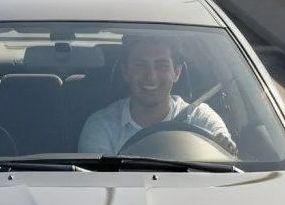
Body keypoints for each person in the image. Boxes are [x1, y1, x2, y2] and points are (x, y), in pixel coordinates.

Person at [77, 34, 234, 154]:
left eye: (162, 66)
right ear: (125, 72)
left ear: (177, 72)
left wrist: (224, 146)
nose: (151, 76)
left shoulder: (201, 119)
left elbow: (225, 166)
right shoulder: (102, 126)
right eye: (140, 66)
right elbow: (98, 185)